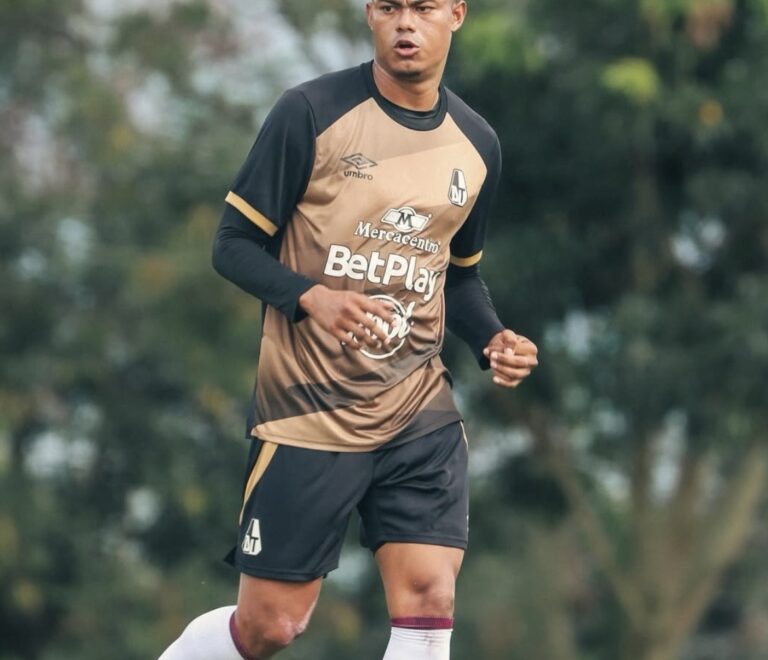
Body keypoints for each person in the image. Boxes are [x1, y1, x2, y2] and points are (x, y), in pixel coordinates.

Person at [158, 1, 538, 658]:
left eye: (422, 7)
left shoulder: (478, 145)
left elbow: (458, 277)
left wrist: (493, 339)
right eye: (389, 6)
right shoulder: (310, 112)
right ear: (370, 14)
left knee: (431, 597)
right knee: (272, 627)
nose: (405, 23)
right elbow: (233, 244)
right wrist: (313, 299)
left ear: (456, 13)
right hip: (309, 408)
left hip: (418, 408)